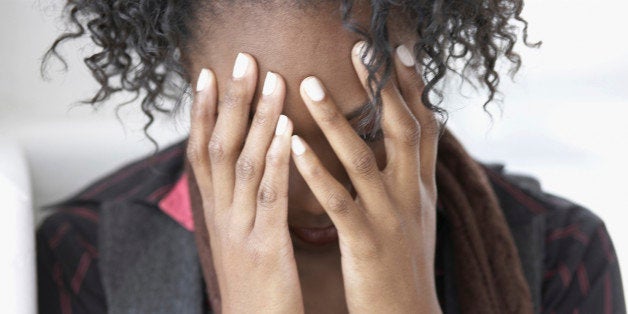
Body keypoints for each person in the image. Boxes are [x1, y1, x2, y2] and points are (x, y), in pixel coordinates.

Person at [36, 0, 625, 313]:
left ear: (418, 78)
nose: (319, 190)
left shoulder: (560, 255)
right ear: (191, 88)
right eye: (258, 139)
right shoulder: (85, 260)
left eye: (362, 130)